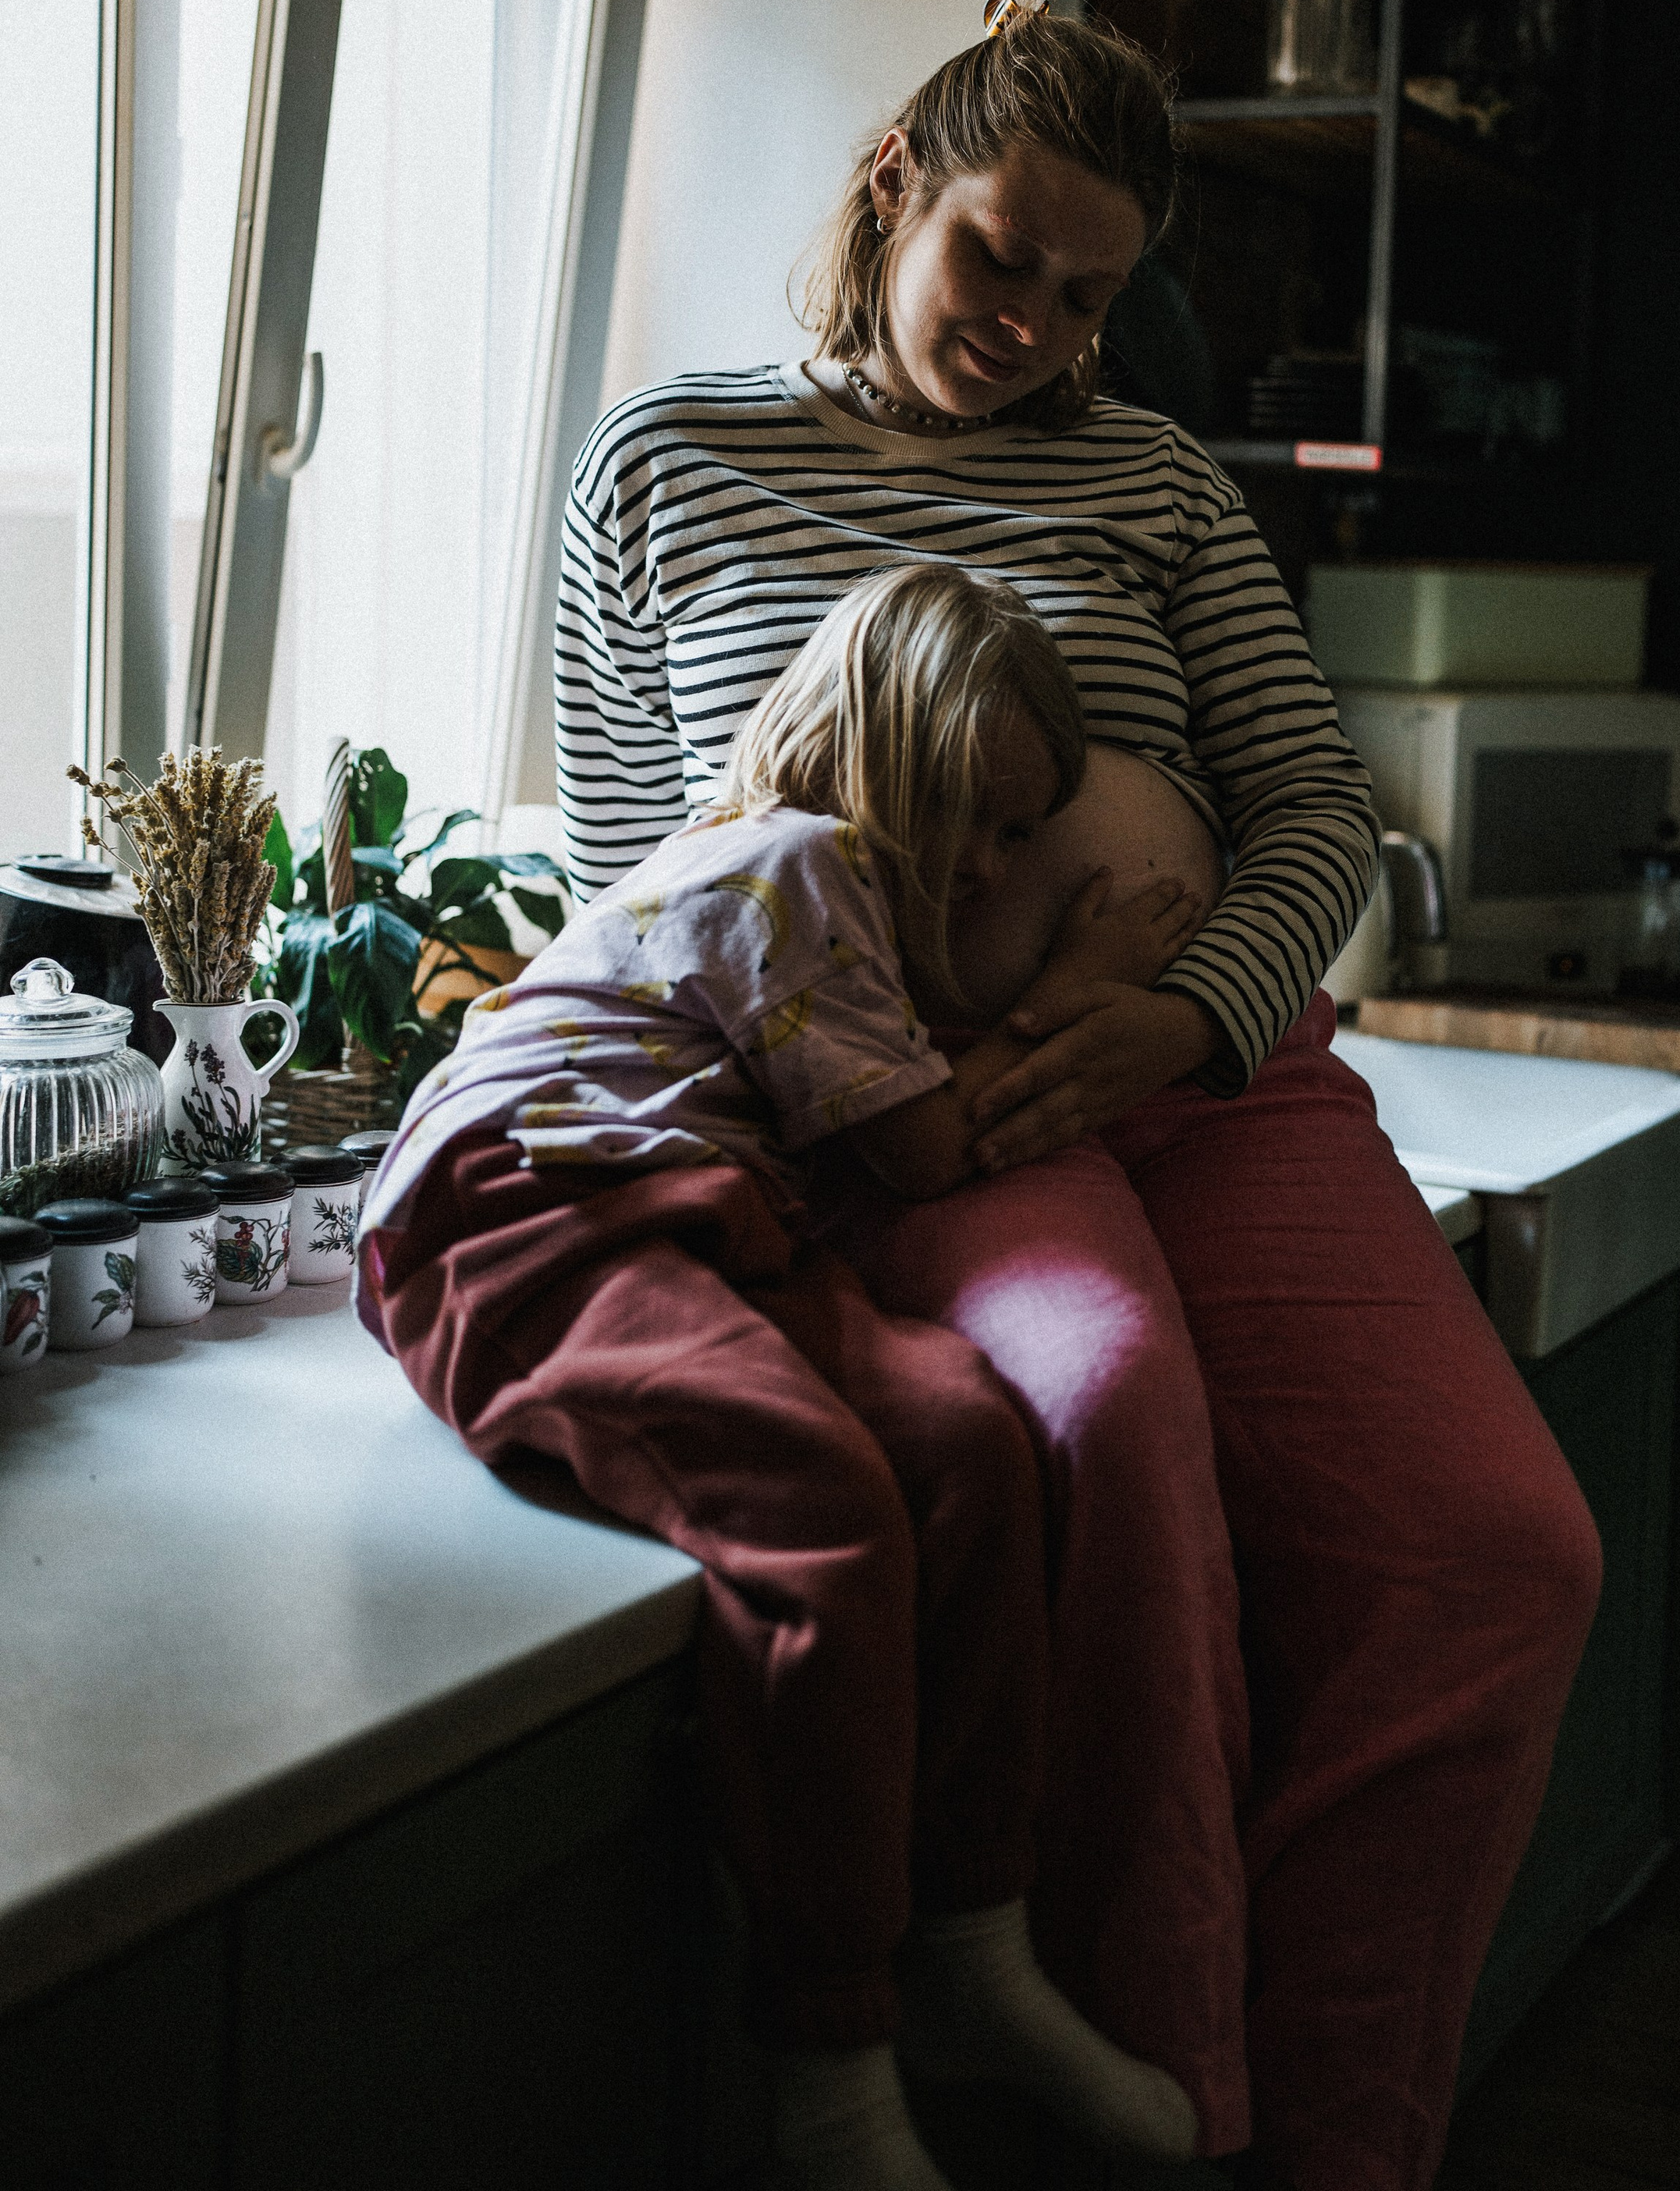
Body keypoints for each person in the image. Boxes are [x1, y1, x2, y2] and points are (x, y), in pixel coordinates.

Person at [555, 0, 1606, 2191]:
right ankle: (1174, 2116)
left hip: (1214, 1081)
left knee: (1496, 1559)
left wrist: (1192, 1009)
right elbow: (624, 876)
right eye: (999, 261)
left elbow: (1318, 815)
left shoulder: (1150, 479)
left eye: (1092, 294)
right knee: (1121, 1467)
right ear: (891, 196)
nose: (1032, 323)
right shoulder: (666, 466)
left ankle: (1339, 2139)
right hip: (925, 1123)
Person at [357, 562, 1207, 2191]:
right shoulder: (793, 864)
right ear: (878, 751)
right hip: (526, 1211)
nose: (986, 864)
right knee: (817, 1504)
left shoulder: (829, 909)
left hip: (694, 1217)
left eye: (1021, 836)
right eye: (970, 810)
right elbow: (931, 1142)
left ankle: (974, 1943)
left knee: (968, 1436)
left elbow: (891, 1108)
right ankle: (826, 2061)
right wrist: (1082, 988)